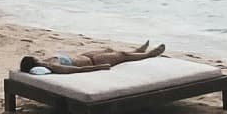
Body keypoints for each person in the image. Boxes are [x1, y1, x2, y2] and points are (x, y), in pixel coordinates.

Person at [19, 41, 165, 75]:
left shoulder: (47, 61)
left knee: (109, 49)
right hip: (94, 61)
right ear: (36, 62)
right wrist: (98, 68)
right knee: (122, 56)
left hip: (86, 56)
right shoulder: (52, 66)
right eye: (36, 58)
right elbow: (75, 70)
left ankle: (136, 51)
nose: (38, 57)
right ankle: (148, 55)